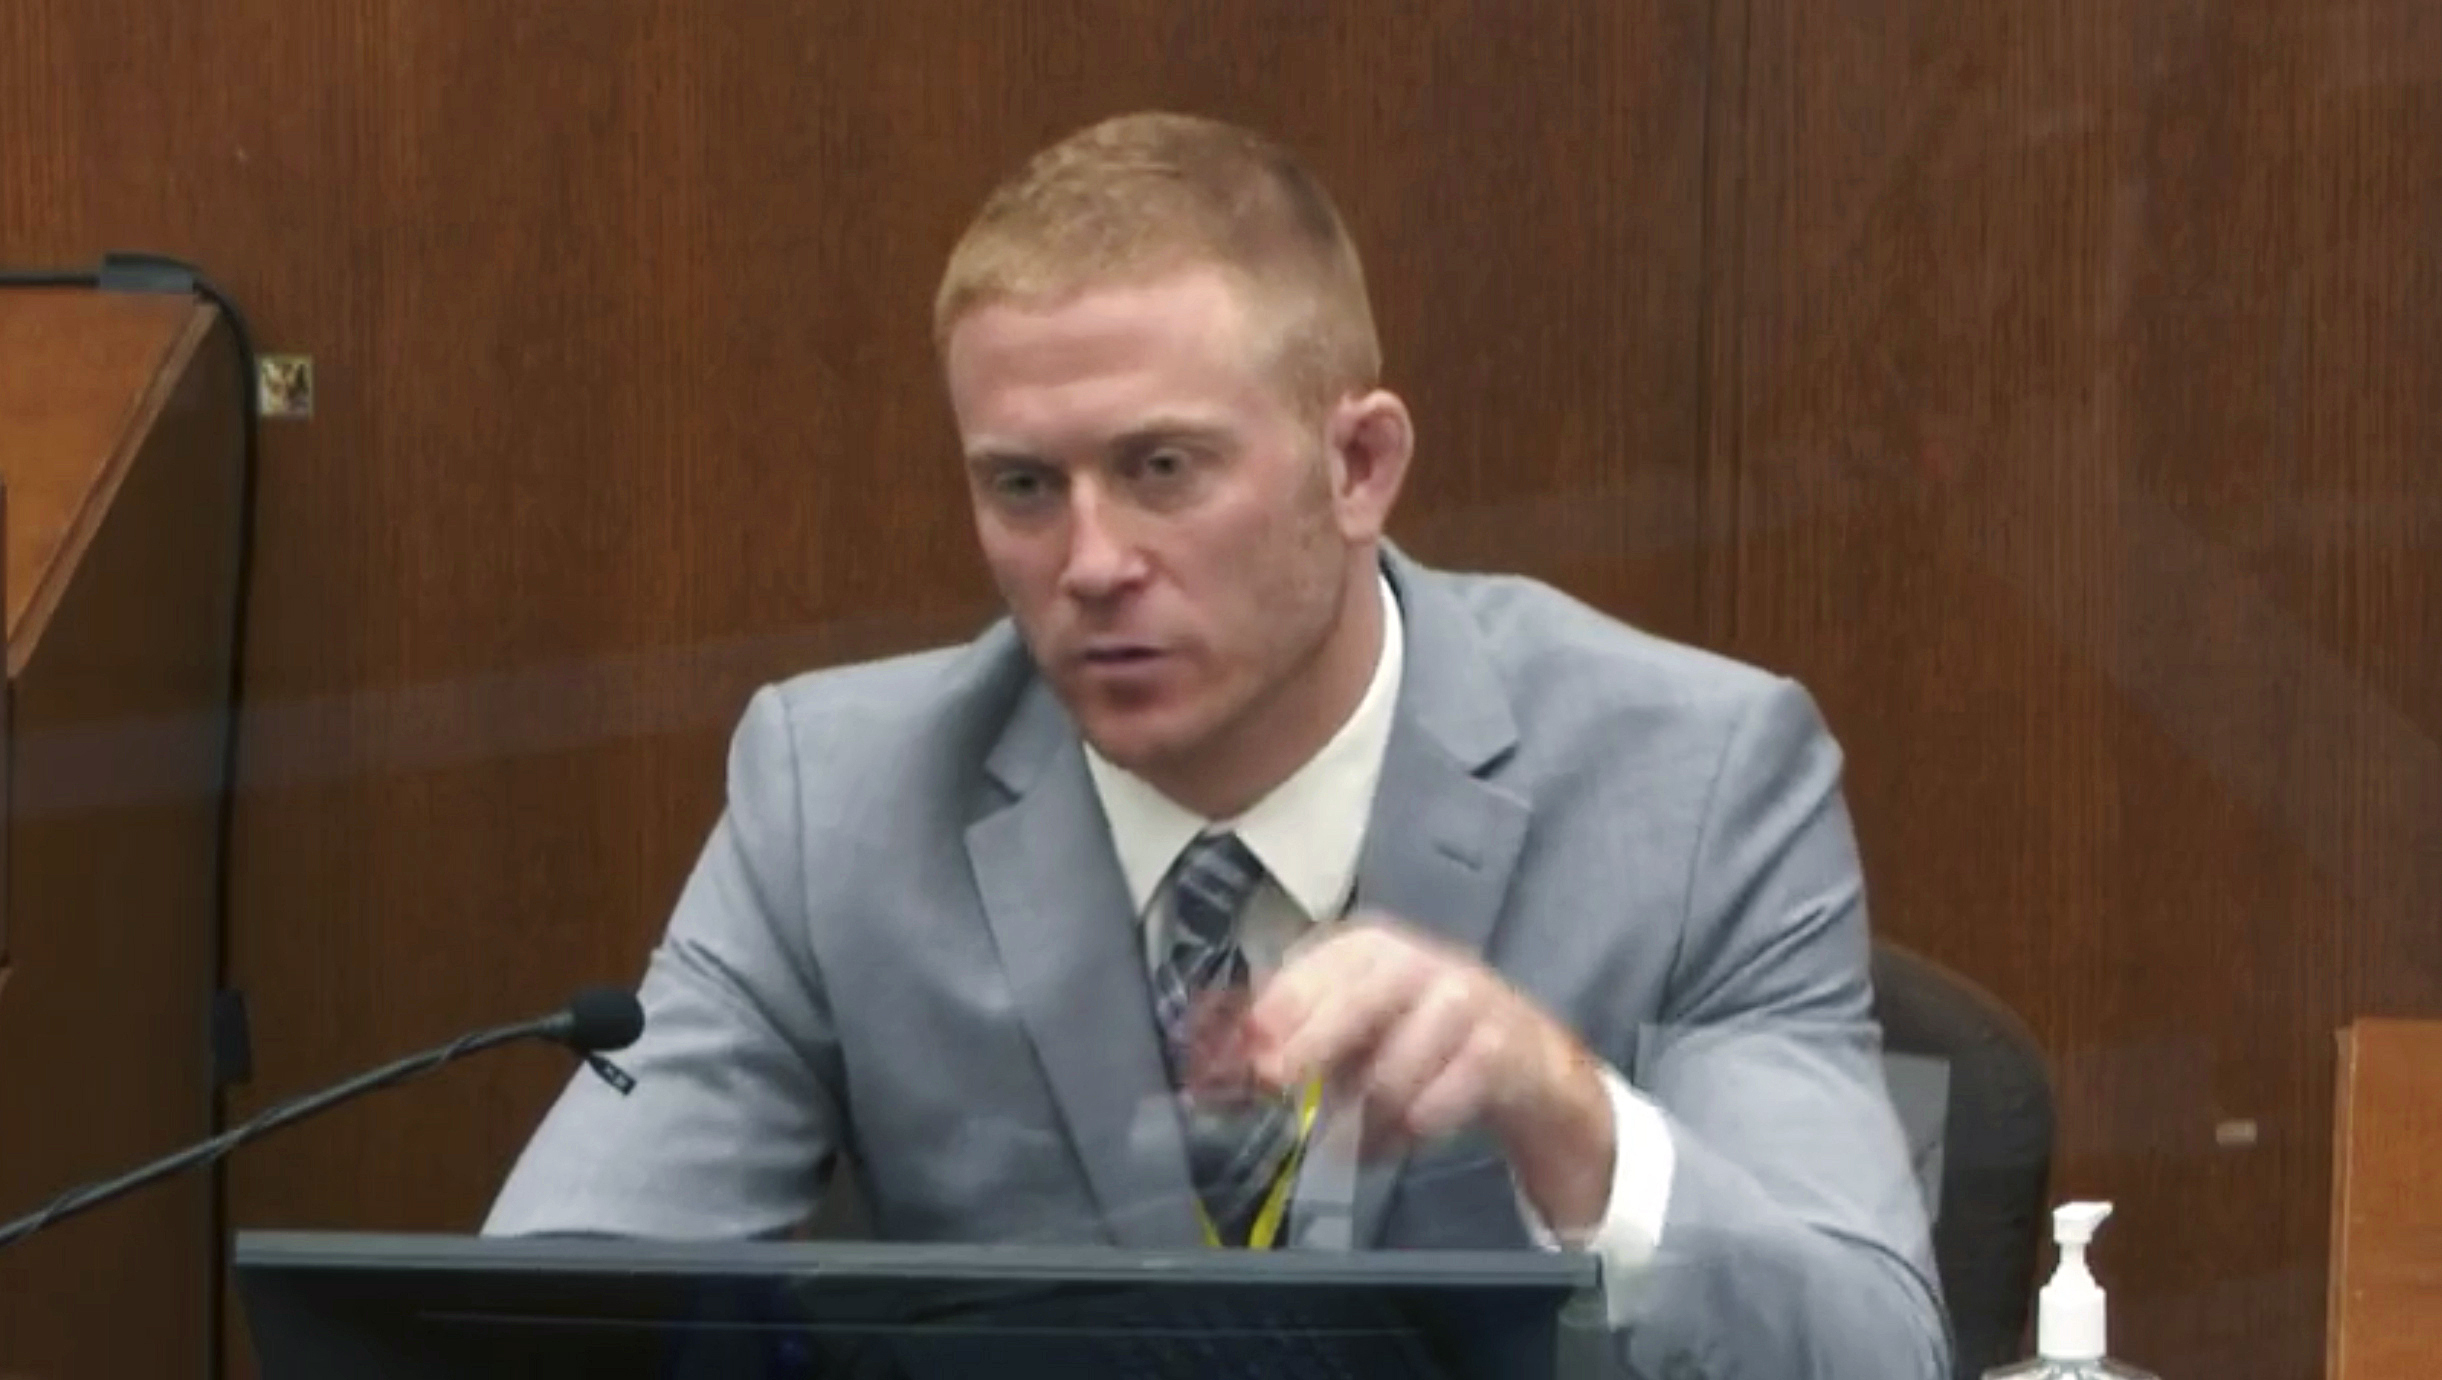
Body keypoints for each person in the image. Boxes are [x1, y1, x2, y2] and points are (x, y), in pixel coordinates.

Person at [485, 110, 1948, 1378]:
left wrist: (1566, 1119)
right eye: (1020, 486)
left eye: (1160, 469)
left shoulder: (1693, 781)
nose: (1091, 559)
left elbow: (1870, 1351)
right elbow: (545, 1315)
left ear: (1356, 463)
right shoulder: (838, 798)